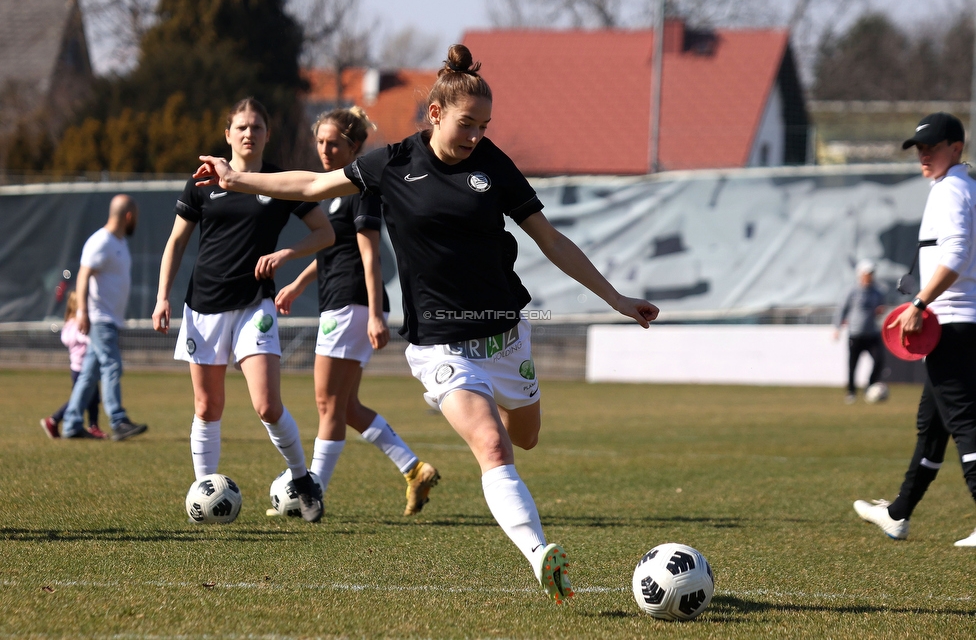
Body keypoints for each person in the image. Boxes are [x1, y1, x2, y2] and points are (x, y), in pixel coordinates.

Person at [193, 46, 659, 603]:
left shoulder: (494, 165)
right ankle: (541, 556)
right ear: (435, 113)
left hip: (507, 337)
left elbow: (551, 240)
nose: (476, 136)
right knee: (492, 445)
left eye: (485, 126)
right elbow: (312, 188)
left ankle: (509, 433)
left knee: (524, 437)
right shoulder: (391, 163)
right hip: (442, 348)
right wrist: (236, 180)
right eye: (467, 124)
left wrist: (615, 298)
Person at [152, 97, 334, 523]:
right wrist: (162, 296)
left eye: (257, 127)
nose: (249, 133)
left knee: (267, 405)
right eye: (242, 127)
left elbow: (325, 234)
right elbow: (176, 242)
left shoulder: (279, 181)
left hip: (256, 303)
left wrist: (286, 254)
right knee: (206, 407)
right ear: (228, 134)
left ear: (267, 135)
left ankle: (302, 480)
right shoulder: (203, 182)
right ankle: (205, 491)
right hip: (204, 307)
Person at [273, 106, 440, 517]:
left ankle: (311, 493)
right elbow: (334, 249)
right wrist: (298, 283)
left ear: (354, 147)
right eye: (320, 142)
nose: (325, 149)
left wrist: (376, 315)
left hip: (351, 303)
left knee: (327, 403)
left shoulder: (360, 190)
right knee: (345, 406)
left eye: (334, 143)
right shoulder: (332, 193)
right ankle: (414, 468)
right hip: (344, 301)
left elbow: (369, 256)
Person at [853, 112, 976, 547]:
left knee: (964, 422)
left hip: (955, 324)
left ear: (956, 148)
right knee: (933, 425)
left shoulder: (952, 190)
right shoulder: (961, 187)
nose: (924, 154)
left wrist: (921, 302)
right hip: (960, 325)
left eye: (933, 147)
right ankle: (898, 514)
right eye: (919, 148)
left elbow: (958, 252)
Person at [59, 194, 146, 441]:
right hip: (99, 317)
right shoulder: (101, 242)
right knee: (112, 364)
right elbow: (83, 276)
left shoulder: (119, 242)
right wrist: (83, 313)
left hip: (110, 318)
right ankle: (118, 420)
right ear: (128, 216)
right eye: (135, 218)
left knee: (89, 374)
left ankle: (71, 424)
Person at [39, 290, 104, 439]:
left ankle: (90, 425)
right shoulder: (79, 324)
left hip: (75, 367)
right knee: (83, 397)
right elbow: (88, 340)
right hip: (84, 368)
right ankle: (55, 420)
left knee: (88, 397)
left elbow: (66, 339)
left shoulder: (68, 324)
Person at [833, 259, 886, 404]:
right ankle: (851, 392)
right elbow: (842, 309)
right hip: (856, 333)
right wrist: (837, 328)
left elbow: (880, 309)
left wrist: (880, 311)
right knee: (853, 364)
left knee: (879, 360)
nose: (871, 276)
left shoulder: (878, 292)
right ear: (861, 274)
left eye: (872, 273)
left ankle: (870, 386)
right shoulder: (852, 291)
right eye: (868, 273)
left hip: (872, 333)